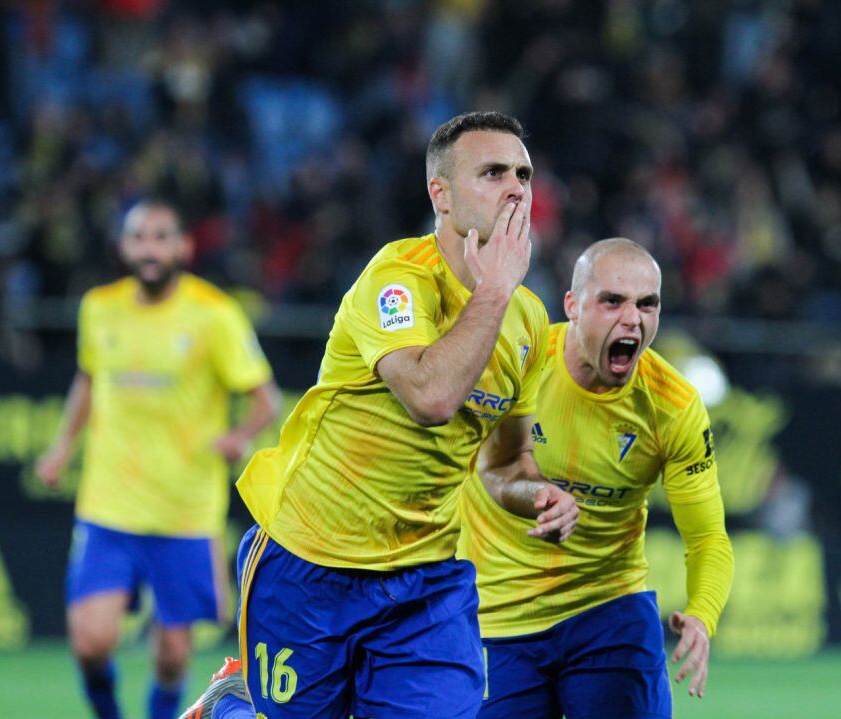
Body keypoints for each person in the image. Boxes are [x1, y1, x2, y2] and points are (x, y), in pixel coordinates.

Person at [199, 111, 579, 719]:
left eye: (523, 175)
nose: (516, 189)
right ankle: (233, 709)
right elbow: (430, 398)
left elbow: (506, 462)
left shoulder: (528, 321)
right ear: (442, 194)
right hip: (310, 561)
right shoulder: (396, 279)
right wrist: (493, 292)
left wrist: (537, 494)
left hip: (425, 582)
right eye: (492, 173)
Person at [458, 238, 734, 719]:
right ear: (573, 306)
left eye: (648, 304)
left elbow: (708, 536)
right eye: (613, 301)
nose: (633, 319)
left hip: (609, 612)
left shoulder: (673, 406)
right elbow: (481, 469)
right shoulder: (518, 359)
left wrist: (702, 617)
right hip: (498, 615)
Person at [35, 198, 282, 719]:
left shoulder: (215, 315)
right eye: (139, 237)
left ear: (183, 246)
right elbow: (87, 379)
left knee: (172, 657)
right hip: (109, 504)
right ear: (123, 247)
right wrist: (61, 447)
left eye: (161, 237)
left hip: (183, 511)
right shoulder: (99, 307)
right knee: (90, 642)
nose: (149, 248)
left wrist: (238, 435)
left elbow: (266, 399)